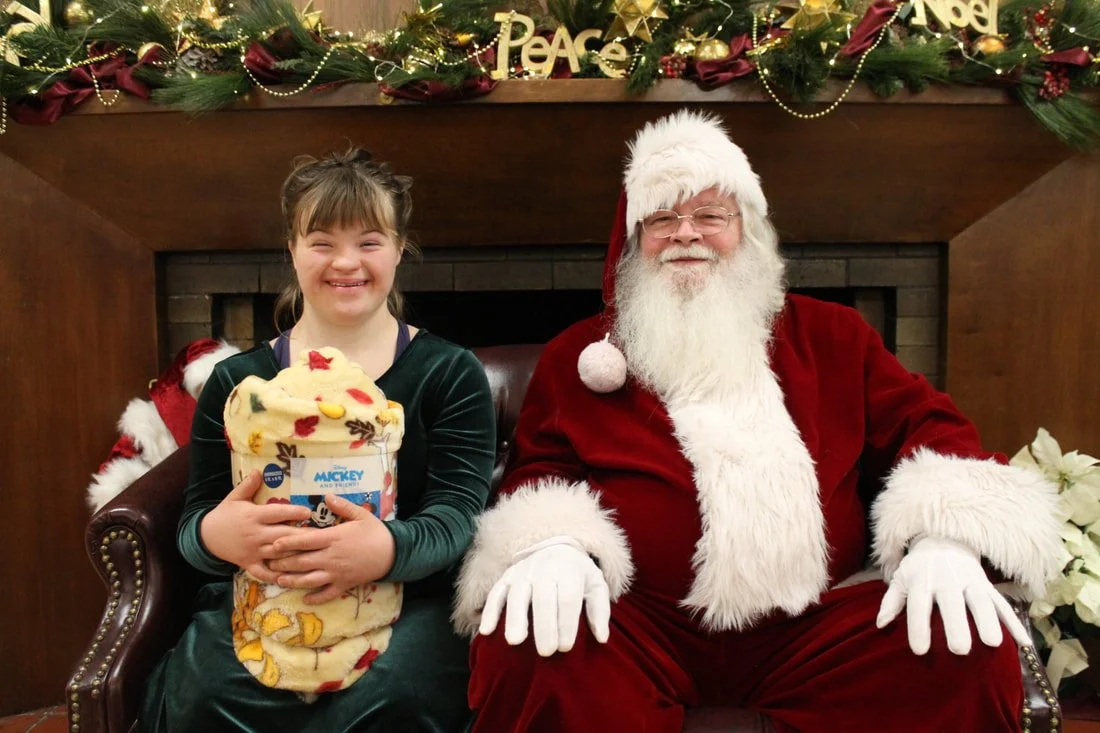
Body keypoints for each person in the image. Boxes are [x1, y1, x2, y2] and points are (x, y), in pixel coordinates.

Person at [455, 110, 1063, 733]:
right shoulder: (579, 356)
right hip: (637, 626)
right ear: (635, 240)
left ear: (747, 229)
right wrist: (553, 543)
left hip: (815, 627)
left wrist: (943, 537)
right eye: (662, 218)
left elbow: (927, 429)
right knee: (528, 643)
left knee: (963, 651)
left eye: (710, 216)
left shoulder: (835, 336)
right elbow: (540, 469)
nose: (686, 234)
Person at [138, 147, 497, 733]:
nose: (346, 262)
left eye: (369, 241)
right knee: (206, 698)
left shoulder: (449, 373)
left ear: (400, 249)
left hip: (411, 601)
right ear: (293, 251)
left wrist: (384, 550)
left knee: (387, 700)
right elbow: (194, 524)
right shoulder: (240, 383)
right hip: (264, 605)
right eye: (323, 241)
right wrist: (215, 534)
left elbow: (458, 517)